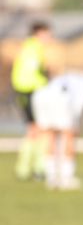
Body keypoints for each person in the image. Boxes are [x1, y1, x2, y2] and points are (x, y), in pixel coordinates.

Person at [32, 73, 83, 190]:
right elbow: (81, 104)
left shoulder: (75, 80)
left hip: (40, 95)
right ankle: (66, 179)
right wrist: (76, 124)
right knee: (68, 135)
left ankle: (51, 178)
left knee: (49, 135)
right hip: (61, 98)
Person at [10, 21, 52, 181]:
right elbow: (31, 70)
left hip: (26, 91)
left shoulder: (28, 47)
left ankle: (29, 168)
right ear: (38, 33)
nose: (50, 37)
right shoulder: (33, 48)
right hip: (30, 91)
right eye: (47, 34)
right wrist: (45, 81)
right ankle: (34, 168)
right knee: (38, 128)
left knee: (34, 128)